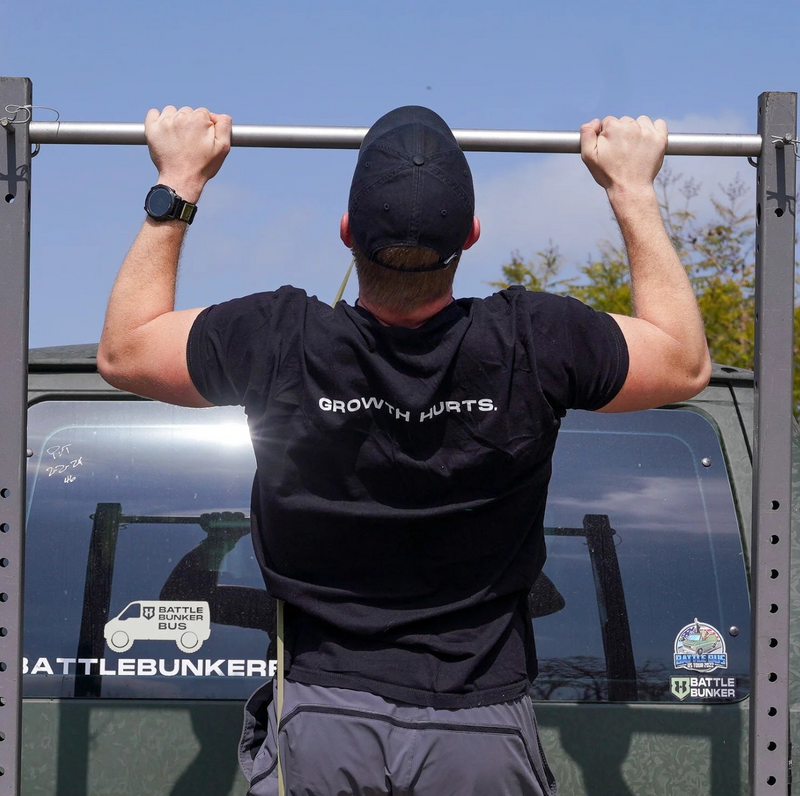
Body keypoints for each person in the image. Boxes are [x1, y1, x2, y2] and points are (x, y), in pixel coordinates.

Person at [98, 104, 711, 796]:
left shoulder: (279, 338)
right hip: (480, 729)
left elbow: (125, 351)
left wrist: (178, 180)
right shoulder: (534, 342)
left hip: (325, 723)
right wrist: (630, 189)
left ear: (348, 234)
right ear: (472, 235)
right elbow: (684, 363)